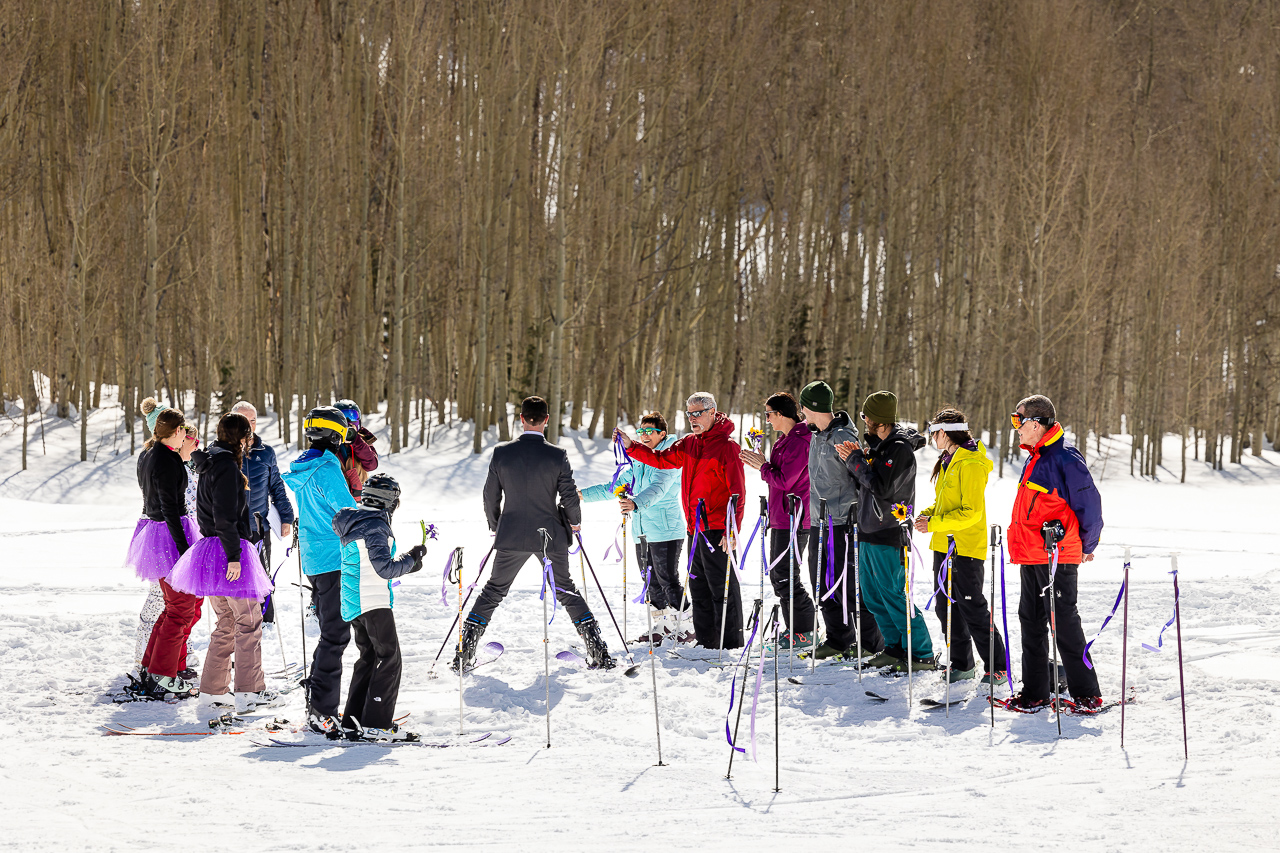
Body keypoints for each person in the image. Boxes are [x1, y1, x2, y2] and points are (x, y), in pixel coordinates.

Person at [453, 396, 616, 671]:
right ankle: (597, 650)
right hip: (549, 534)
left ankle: (465, 651)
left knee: (493, 590)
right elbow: (569, 497)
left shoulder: (502, 453)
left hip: (512, 534)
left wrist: (497, 526)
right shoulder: (557, 454)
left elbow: (489, 496)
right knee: (565, 589)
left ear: (521, 418)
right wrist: (574, 523)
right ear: (546, 420)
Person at [618, 392, 746, 650]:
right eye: (689, 414)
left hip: (718, 527)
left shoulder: (727, 447)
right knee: (697, 584)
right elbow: (660, 460)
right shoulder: (689, 443)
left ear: (712, 412)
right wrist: (632, 446)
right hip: (694, 527)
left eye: (697, 413)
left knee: (721, 585)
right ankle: (707, 639)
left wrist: (732, 530)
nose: (692, 418)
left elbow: (738, 492)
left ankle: (730, 642)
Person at [168, 412, 276, 712]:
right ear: (241, 439)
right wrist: (234, 557)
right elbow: (224, 516)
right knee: (248, 621)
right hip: (227, 551)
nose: (249, 442)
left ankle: (213, 690)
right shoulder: (227, 466)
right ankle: (249, 691)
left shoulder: (212, 462)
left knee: (227, 621)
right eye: (247, 437)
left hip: (211, 551)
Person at [1006, 394, 1104, 711]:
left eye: (1018, 420)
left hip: (1057, 555)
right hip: (1032, 554)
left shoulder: (1065, 458)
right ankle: (1034, 692)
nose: (1016, 427)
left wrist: (1088, 546)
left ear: (1036, 423)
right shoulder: (1035, 457)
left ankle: (1087, 692)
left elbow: (1089, 504)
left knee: (1064, 621)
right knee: (1030, 622)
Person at [836, 390, 931, 672]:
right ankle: (894, 647)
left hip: (889, 532)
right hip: (867, 529)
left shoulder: (899, 449)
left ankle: (921, 652)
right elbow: (867, 484)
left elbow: (883, 488)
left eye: (866, 416)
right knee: (872, 595)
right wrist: (857, 462)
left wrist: (855, 462)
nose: (863, 421)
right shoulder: (880, 447)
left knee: (893, 594)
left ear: (878, 419)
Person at [913, 408, 1008, 685]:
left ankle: (998, 667)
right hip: (944, 545)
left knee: (972, 608)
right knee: (945, 608)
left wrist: (934, 523)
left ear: (945, 432)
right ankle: (962, 664)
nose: (932, 438)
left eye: (934, 432)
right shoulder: (948, 460)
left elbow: (971, 512)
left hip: (966, 547)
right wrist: (928, 514)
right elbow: (946, 504)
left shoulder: (970, 464)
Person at [281, 406, 359, 734]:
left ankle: (318, 699)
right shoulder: (326, 468)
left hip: (315, 558)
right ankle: (322, 711)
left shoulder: (306, 467)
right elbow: (347, 512)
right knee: (336, 634)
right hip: (332, 558)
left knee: (332, 630)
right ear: (334, 436)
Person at [332, 473, 426, 741]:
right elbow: (384, 569)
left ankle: (354, 720)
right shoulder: (374, 525)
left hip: (356, 601)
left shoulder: (356, 520)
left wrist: (408, 564)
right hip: (372, 601)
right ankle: (377, 724)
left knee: (370, 658)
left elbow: (372, 561)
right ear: (388, 501)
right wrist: (411, 558)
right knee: (389, 659)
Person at [580, 412, 686, 643]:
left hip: (666, 529)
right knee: (650, 581)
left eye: (650, 432)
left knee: (668, 579)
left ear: (662, 434)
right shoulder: (638, 464)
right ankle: (662, 625)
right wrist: (580, 495)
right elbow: (613, 486)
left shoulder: (670, 458)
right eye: (641, 432)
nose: (645, 436)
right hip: (642, 531)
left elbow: (659, 487)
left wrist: (636, 502)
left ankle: (686, 626)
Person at [799, 381, 884, 660]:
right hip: (818, 522)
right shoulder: (816, 435)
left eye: (804, 406)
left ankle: (872, 644)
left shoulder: (843, 438)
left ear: (812, 407)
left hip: (843, 523)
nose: (801, 411)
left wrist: (855, 517)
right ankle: (838, 639)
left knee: (849, 586)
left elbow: (861, 479)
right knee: (820, 584)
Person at [127, 399, 202, 698]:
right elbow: (171, 508)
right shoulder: (167, 459)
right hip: (169, 534)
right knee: (181, 608)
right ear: (174, 431)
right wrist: (184, 549)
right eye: (183, 429)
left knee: (176, 607)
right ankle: (161, 675)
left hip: (158, 531)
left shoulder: (151, 453)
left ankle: (153, 667)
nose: (186, 435)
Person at [739, 391, 817, 649]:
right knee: (780, 575)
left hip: (795, 518)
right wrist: (763, 465)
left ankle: (805, 630)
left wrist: (762, 466)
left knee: (785, 576)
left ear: (781, 414)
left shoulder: (800, 441)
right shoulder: (785, 440)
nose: (768, 419)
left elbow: (785, 480)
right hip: (782, 516)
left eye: (769, 414)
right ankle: (795, 629)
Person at [228, 400, 295, 624]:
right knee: (233, 576)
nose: (249, 425)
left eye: (253, 420)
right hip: (230, 529)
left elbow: (276, 486)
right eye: (244, 420)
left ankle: (266, 619)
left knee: (263, 575)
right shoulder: (221, 451)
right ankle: (235, 620)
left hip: (258, 526)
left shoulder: (266, 453)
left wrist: (286, 517)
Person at [334, 399, 380, 499]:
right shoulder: (331, 440)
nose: (348, 421)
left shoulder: (362, 439)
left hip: (359, 497)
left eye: (352, 416)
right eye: (342, 417)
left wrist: (356, 441)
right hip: (337, 497)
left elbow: (371, 465)